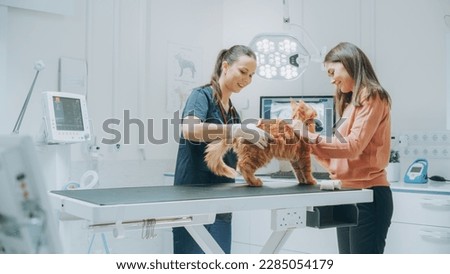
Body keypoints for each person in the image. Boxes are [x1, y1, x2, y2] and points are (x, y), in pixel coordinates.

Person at [294, 42, 393, 254]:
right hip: (346, 193)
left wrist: (308, 136)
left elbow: (352, 147)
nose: (331, 79)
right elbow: (335, 158)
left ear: (348, 63)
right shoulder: (349, 106)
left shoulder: (373, 96)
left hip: (368, 194)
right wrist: (304, 139)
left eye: (332, 71)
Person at [172, 45, 270, 254]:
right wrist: (236, 130)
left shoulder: (233, 112)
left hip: (223, 200)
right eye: (243, 72)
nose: (247, 79)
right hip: (194, 197)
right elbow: (190, 130)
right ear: (225, 66)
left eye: (251, 75)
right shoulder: (201, 96)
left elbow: (237, 150)